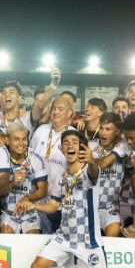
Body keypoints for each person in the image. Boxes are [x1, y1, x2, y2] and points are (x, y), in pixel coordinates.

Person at [15, 130, 124, 268]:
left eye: (75, 142)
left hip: (88, 241)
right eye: (66, 143)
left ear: (82, 147)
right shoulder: (61, 178)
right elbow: (53, 206)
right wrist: (34, 206)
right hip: (63, 237)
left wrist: (92, 160)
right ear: (62, 149)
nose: (70, 145)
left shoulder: (90, 172)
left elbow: (93, 170)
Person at [29, 96, 76, 234]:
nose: (55, 112)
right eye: (53, 108)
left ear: (69, 113)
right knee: (42, 240)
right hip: (38, 198)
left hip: (62, 202)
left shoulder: (74, 135)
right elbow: (30, 156)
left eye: (60, 109)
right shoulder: (41, 130)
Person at [0, 122, 47, 234]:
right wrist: (11, 182)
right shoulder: (1, 156)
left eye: (24, 139)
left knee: (32, 243)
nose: (21, 143)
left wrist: (27, 198)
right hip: (8, 212)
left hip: (30, 212)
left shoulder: (36, 158)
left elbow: (43, 190)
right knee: (7, 242)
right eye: (16, 139)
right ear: (7, 140)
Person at [89, 113, 131, 237]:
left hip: (110, 208)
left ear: (117, 131)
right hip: (90, 206)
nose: (103, 133)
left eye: (108, 129)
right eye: (101, 128)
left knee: (112, 240)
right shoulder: (90, 146)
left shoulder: (123, 149)